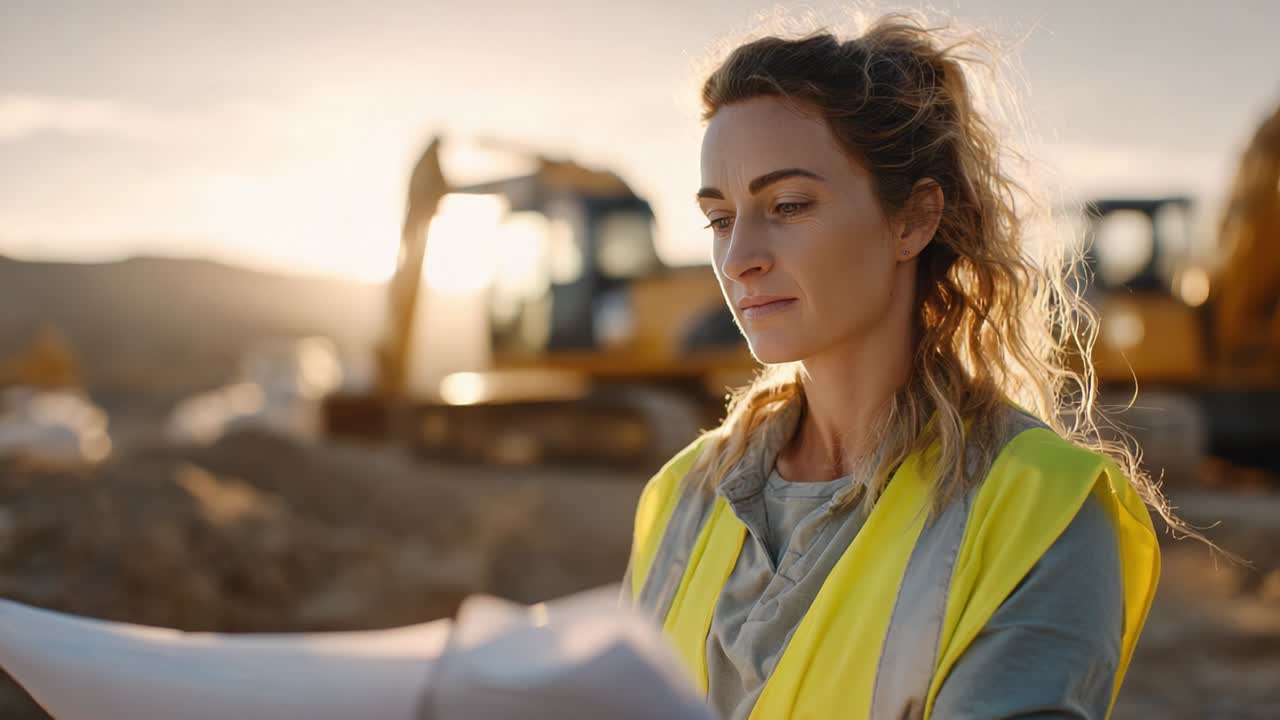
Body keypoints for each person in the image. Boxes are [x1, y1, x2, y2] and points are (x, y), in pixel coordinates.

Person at [622, 13, 1192, 720]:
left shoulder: (1038, 510)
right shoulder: (681, 495)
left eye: (788, 205)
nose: (738, 259)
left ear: (913, 220)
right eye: (719, 219)